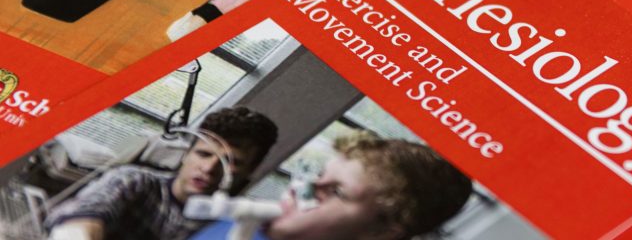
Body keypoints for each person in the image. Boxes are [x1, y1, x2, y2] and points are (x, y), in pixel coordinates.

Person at [45, 106, 279, 240]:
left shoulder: (233, 225)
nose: (209, 169)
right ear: (186, 153)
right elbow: (79, 219)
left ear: (250, 170)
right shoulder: (135, 181)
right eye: (203, 154)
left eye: (231, 162)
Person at [190, 132, 473, 240]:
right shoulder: (239, 224)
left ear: (380, 232)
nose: (304, 188)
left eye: (337, 191)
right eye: (319, 175)